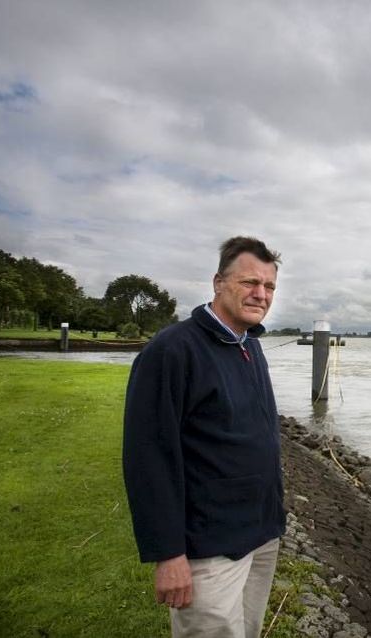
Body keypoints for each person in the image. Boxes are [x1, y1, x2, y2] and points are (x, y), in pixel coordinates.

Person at [123, 236, 287, 637]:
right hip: (209, 545)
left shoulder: (250, 344)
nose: (260, 294)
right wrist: (168, 553)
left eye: (269, 287)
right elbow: (148, 457)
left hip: (261, 533)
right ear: (218, 282)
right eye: (249, 282)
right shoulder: (173, 351)